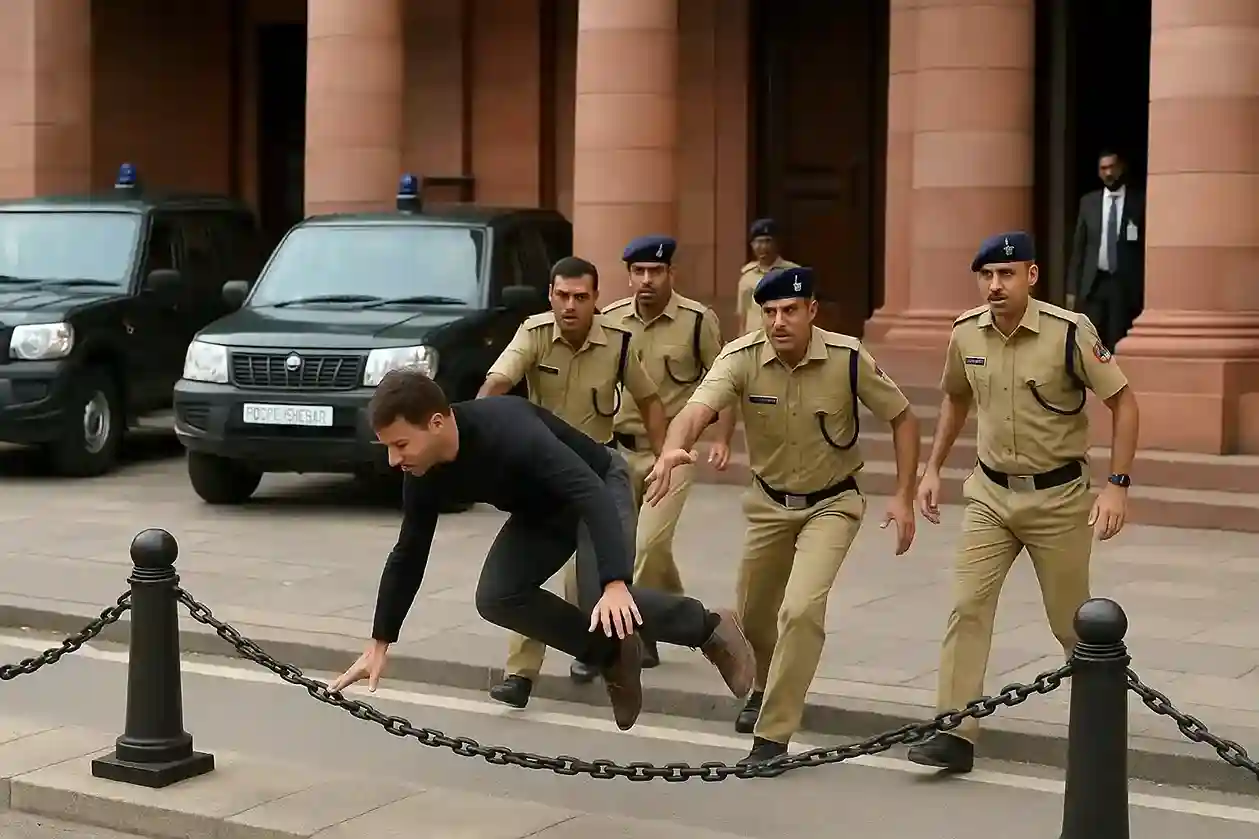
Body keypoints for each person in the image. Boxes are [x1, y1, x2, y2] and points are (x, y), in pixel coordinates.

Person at [328, 371, 756, 732]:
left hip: (598, 487)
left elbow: (589, 492)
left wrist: (614, 581)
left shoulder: (510, 429)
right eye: (387, 447)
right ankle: (610, 655)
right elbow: (409, 550)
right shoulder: (422, 473)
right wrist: (380, 641)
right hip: (543, 514)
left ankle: (710, 627)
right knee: (497, 596)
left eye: (400, 444)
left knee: (599, 598)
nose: (392, 459)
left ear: (437, 423)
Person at [644, 266, 920, 766]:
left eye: (790, 310)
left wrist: (903, 493)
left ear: (811, 311)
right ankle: (763, 684)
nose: (778, 321)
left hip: (832, 503)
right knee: (752, 617)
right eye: (769, 311)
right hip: (769, 505)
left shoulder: (847, 358)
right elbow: (696, 409)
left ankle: (773, 734)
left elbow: (902, 416)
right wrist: (670, 451)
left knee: (800, 611)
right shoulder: (741, 356)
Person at [908, 231, 1139, 772]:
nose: (994, 286)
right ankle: (954, 733)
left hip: (1058, 499)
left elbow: (1124, 403)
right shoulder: (966, 333)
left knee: (1072, 625)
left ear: (1031, 276)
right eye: (986, 276)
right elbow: (955, 399)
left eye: (1006, 275)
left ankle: (1098, 734)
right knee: (966, 607)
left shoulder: (1068, 333)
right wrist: (933, 467)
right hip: (989, 495)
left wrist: (1117, 485)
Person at [475, 256, 669, 707]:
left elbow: (650, 400)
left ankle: (613, 645)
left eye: (580, 297)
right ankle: (520, 675)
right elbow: (497, 383)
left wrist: (661, 458)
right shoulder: (535, 334)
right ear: (550, 295)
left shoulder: (619, 343)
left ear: (596, 300)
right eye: (562, 296)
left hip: (595, 471)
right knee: (521, 580)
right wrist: (483, 435)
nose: (570, 306)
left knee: (596, 576)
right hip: (542, 472)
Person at [601, 235, 737, 668]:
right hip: (619, 451)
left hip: (674, 453)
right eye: (638, 272)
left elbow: (724, 382)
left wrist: (722, 437)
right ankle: (683, 617)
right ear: (628, 277)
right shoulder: (610, 320)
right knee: (640, 548)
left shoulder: (697, 320)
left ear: (670, 274)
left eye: (655, 272)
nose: (646, 280)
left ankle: (635, 634)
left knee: (647, 546)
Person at [1066, 149, 1146, 349]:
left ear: (1121, 168)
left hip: (1123, 283)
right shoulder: (1089, 202)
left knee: (1118, 338)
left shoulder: (1139, 201)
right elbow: (1079, 248)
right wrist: (1072, 289)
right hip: (1094, 283)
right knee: (1091, 339)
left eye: (1112, 167)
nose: (1108, 173)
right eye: (1104, 168)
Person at [735, 219, 798, 336]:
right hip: (754, 337)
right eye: (758, 242)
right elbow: (742, 314)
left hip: (782, 335)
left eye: (768, 241)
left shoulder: (792, 272)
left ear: (776, 243)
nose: (763, 247)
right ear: (752, 245)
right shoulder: (747, 275)